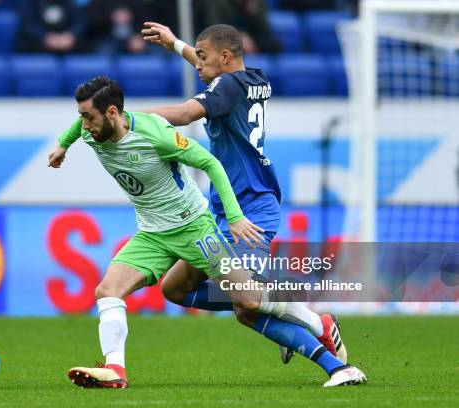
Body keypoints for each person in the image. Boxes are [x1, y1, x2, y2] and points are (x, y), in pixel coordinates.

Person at [48, 76, 366, 388]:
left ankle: (331, 351)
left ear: (113, 113)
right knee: (111, 291)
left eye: (89, 117)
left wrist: (235, 217)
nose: (85, 125)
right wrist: (63, 145)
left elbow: (211, 163)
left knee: (250, 302)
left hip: (194, 228)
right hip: (152, 234)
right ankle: (115, 368)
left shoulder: (156, 135)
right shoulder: (92, 132)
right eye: (82, 117)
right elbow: (77, 128)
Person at [138, 22, 366, 384]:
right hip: (221, 211)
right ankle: (279, 304)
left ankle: (324, 340)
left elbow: (183, 115)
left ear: (225, 57)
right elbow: (216, 71)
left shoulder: (226, 86)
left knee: (247, 308)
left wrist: (128, 119)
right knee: (175, 289)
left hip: (249, 209)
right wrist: (175, 44)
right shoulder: (254, 79)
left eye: (203, 57)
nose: (197, 64)